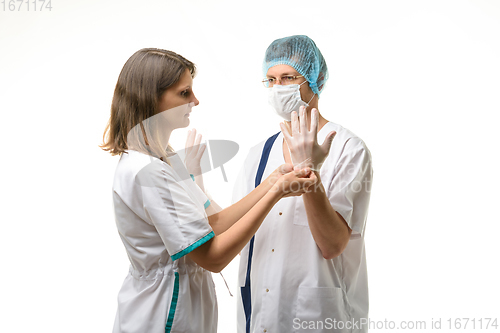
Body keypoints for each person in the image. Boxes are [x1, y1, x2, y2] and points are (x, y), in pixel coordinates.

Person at [100, 48, 318, 333]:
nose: (195, 101)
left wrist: (271, 183)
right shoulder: (148, 171)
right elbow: (212, 257)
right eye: (184, 93)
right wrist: (275, 194)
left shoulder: (162, 156)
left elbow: (210, 224)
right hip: (161, 314)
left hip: (184, 307)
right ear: (152, 99)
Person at [234, 35, 373, 333]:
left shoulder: (348, 148)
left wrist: (311, 176)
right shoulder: (258, 154)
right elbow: (236, 229)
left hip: (320, 317)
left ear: (315, 79)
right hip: (260, 314)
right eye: (270, 80)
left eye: (288, 78)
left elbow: (333, 244)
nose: (277, 88)